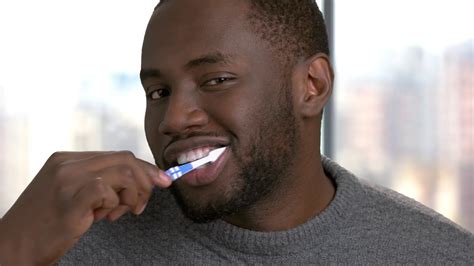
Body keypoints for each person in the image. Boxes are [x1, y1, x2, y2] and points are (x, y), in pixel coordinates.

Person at [0, 0, 473, 264]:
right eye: (159, 92)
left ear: (312, 86)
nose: (173, 119)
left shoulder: (439, 256)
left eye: (216, 81)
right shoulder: (75, 247)